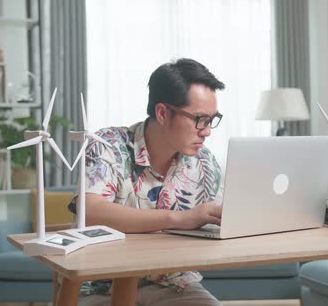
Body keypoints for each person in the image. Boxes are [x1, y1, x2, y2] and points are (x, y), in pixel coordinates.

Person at [70, 58, 226, 305]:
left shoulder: (203, 161)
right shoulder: (107, 145)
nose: (207, 131)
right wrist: (179, 219)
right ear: (163, 113)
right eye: (200, 119)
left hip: (173, 286)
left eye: (212, 119)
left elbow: (220, 217)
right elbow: (88, 210)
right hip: (102, 285)